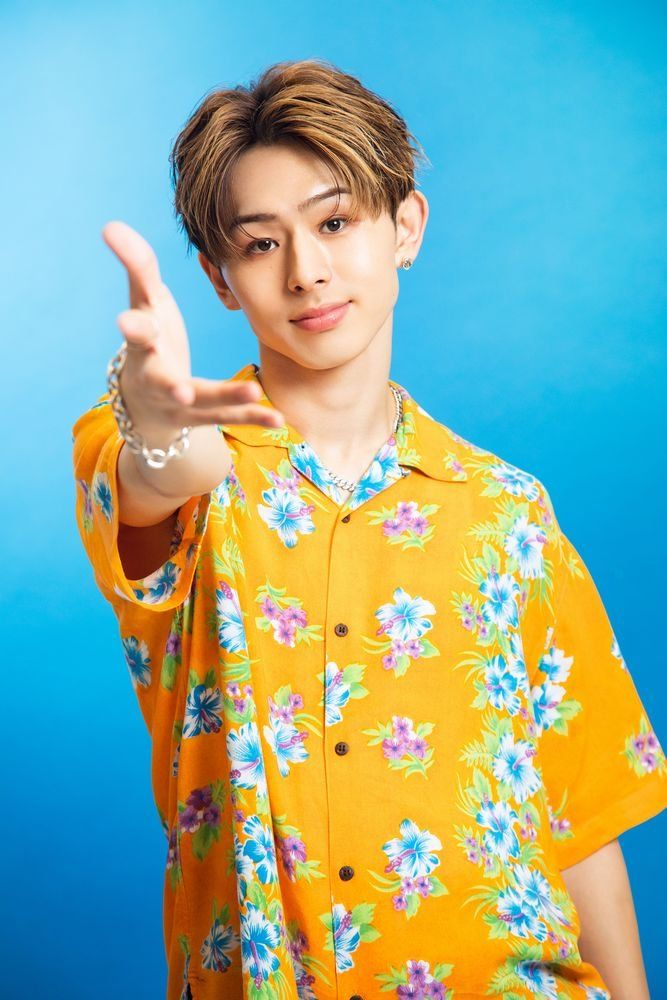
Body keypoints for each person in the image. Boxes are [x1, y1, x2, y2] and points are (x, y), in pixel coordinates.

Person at [72, 58, 667, 1000]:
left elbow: (580, 815)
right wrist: (156, 424)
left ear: (406, 227)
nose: (306, 271)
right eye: (260, 243)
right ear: (220, 279)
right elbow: (158, 480)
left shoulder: (507, 509)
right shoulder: (182, 464)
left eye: (335, 223)